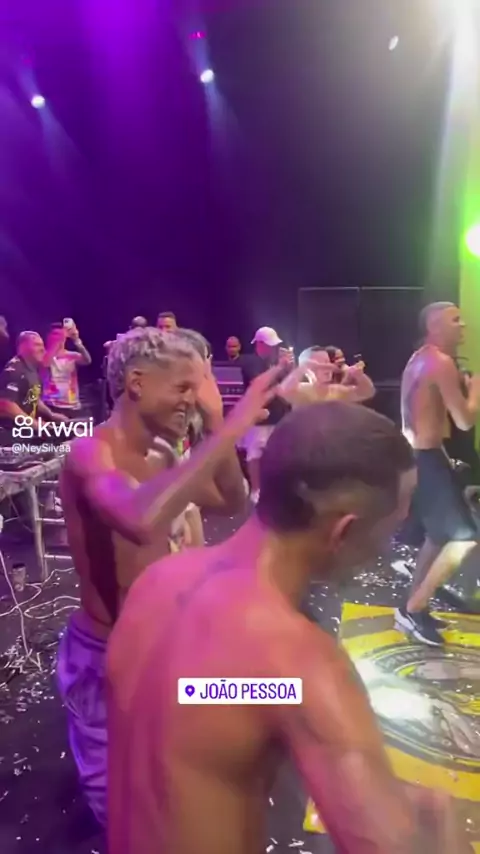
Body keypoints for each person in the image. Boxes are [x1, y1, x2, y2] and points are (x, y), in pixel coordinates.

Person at [107, 401, 467, 854]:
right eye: (392, 528)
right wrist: (442, 818)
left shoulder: (158, 580)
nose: (386, 547)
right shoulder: (300, 666)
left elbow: (202, 692)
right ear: (343, 532)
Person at [56, 326, 279, 826]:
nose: (191, 400)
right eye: (183, 387)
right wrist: (228, 431)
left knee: (175, 772)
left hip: (166, 647)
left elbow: (231, 501)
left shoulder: (164, 451)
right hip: (106, 658)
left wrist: (218, 422)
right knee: (120, 803)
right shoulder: (91, 451)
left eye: (197, 389)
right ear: (136, 383)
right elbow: (138, 519)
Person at [395, 302, 480, 645]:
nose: (463, 325)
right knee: (464, 537)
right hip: (426, 458)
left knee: (438, 536)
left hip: (420, 456)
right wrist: (475, 390)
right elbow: (464, 420)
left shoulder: (418, 359)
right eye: (455, 320)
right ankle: (414, 609)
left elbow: (424, 418)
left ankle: (414, 606)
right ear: (434, 327)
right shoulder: (441, 361)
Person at [241, 326, 292, 502]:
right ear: (260, 344)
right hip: (259, 418)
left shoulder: (274, 362)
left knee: (277, 453)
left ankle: (275, 489)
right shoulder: (251, 362)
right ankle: (256, 490)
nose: (274, 349)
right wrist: (279, 368)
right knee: (255, 454)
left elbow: (287, 385)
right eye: (270, 345)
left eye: (275, 345)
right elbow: (258, 383)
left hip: (278, 416)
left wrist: (288, 367)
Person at [0, 331, 69, 437]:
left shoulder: (31, 369)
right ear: (23, 347)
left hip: (24, 432)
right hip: (9, 434)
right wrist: (35, 424)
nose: (42, 349)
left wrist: (51, 415)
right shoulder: (15, 369)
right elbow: (6, 404)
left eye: (42, 345)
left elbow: (31, 397)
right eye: (37, 345)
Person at [279, 345, 375, 406]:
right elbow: (284, 391)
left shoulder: (336, 391)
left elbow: (367, 392)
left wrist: (360, 376)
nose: (326, 366)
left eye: (327, 361)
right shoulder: (302, 390)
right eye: (319, 363)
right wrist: (302, 368)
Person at [42, 322, 92, 416]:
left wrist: (76, 340)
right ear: (48, 337)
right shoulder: (43, 356)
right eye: (55, 334)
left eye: (60, 335)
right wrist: (56, 344)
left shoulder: (72, 355)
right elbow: (45, 364)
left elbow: (87, 360)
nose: (58, 337)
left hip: (72, 404)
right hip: (51, 405)